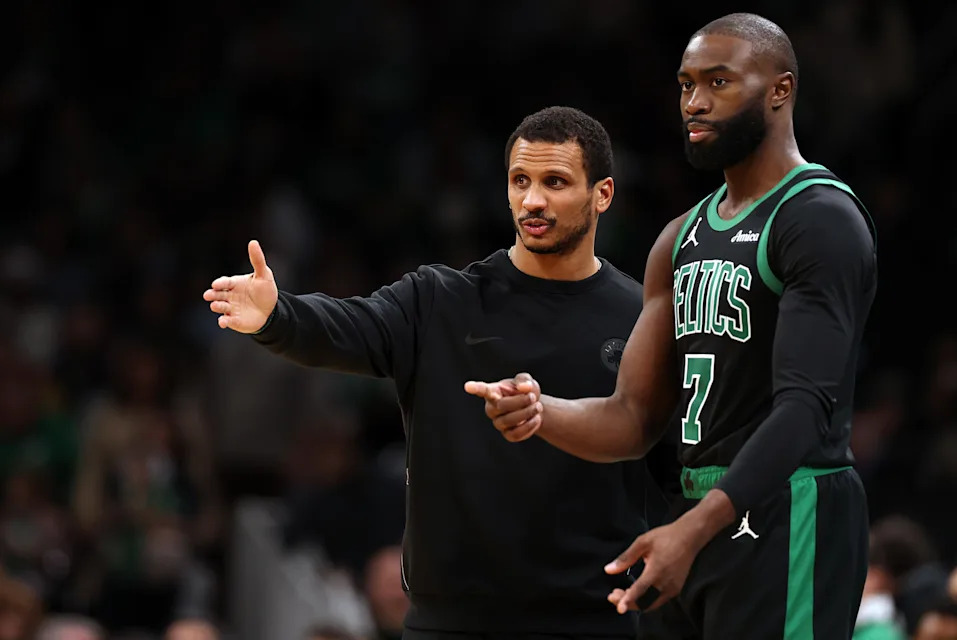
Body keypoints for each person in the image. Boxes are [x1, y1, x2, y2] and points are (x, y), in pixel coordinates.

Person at [467, 13, 878, 639]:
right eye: (686, 84)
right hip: (694, 509)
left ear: (780, 90)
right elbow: (633, 417)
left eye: (719, 82)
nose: (695, 102)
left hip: (787, 507)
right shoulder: (681, 237)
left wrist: (694, 527)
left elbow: (804, 410)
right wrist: (540, 411)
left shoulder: (818, 218)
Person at [203, 107, 681, 637]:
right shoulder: (440, 300)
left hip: (596, 621)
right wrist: (277, 315)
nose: (532, 200)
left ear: (603, 194)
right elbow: (347, 326)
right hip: (451, 623)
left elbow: (675, 474)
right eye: (520, 181)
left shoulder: (642, 316)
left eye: (555, 182)